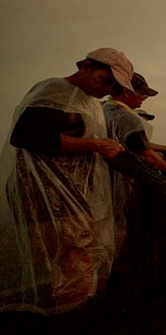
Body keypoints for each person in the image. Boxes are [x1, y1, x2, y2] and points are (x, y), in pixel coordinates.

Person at [0, 48, 134, 314]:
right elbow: (27, 136)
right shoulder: (56, 92)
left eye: (112, 86)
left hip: (71, 196)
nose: (107, 88)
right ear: (85, 66)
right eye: (103, 79)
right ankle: (71, 321)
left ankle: (69, 316)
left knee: (74, 263)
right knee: (74, 261)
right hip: (48, 198)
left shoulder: (85, 100)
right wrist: (96, 144)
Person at [104, 73, 166, 250]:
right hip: (122, 184)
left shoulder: (102, 111)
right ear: (127, 92)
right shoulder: (129, 118)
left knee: (105, 227)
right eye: (143, 95)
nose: (143, 100)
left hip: (102, 183)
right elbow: (145, 152)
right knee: (122, 229)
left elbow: (136, 143)